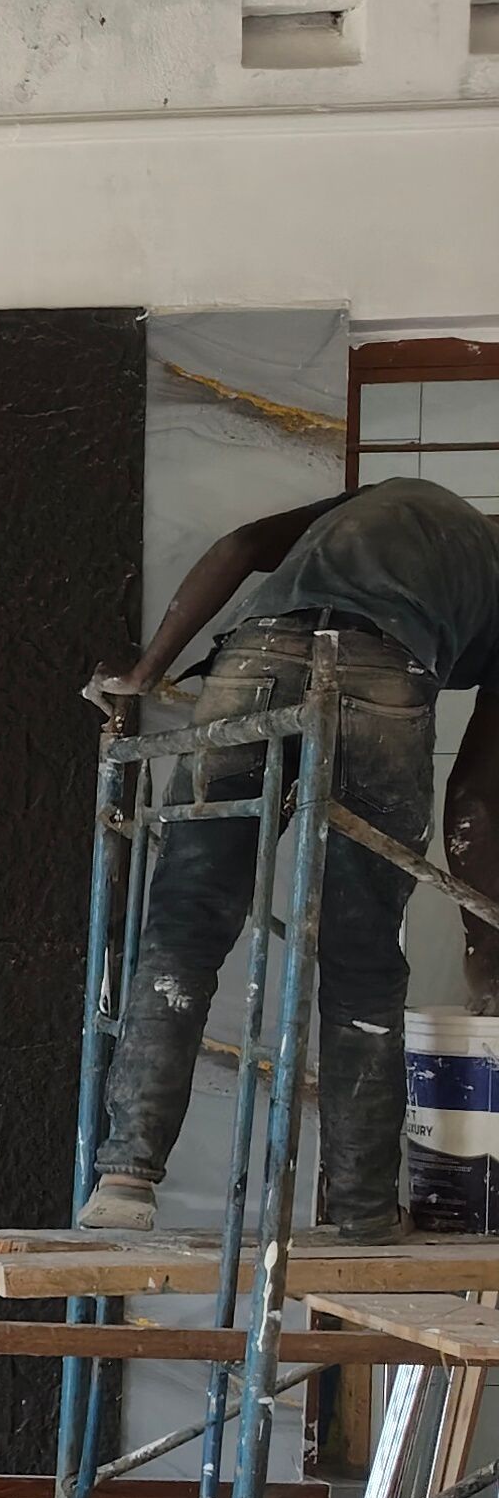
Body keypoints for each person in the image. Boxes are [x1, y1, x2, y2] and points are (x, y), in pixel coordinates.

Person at [78, 476, 499, 1237]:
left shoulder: (390, 498)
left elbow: (240, 545)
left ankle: (125, 1180)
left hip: (252, 660)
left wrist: (142, 676)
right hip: (385, 684)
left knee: (183, 929)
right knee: (362, 959)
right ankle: (363, 1210)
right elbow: (474, 799)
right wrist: (485, 949)